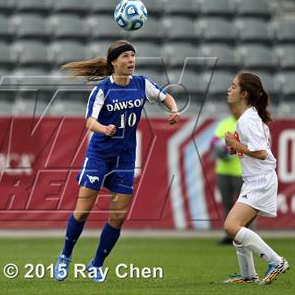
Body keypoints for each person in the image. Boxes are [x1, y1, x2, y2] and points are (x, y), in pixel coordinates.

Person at [53, 40, 180, 283]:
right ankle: (65, 257)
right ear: (114, 62)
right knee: (82, 211)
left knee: (119, 216)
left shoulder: (142, 84)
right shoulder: (102, 89)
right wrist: (104, 128)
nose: (131, 60)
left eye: (133, 56)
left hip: (125, 157)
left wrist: (174, 111)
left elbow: (166, 97)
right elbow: (89, 121)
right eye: (126, 57)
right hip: (99, 155)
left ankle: (96, 264)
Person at [223, 72, 289, 285]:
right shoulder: (249, 118)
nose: (228, 89)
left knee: (232, 226)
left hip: (260, 180)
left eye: (233, 86)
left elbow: (261, 153)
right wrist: (237, 148)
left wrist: (235, 145)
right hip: (255, 180)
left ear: (244, 94)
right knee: (238, 229)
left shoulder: (248, 120)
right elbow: (254, 149)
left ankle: (276, 261)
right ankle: (248, 276)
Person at [210, 103, 243, 245]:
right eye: (232, 108)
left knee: (244, 205)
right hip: (223, 170)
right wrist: (219, 150)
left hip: (241, 171)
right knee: (227, 204)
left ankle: (245, 234)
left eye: (236, 108)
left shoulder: (246, 124)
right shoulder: (225, 124)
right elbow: (214, 142)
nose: (234, 110)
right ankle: (229, 235)